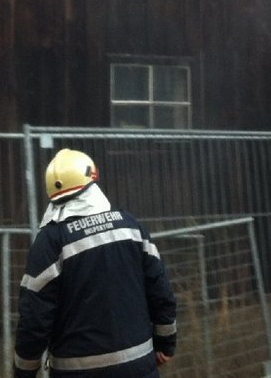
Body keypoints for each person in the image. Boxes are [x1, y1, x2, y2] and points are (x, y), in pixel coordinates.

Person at [14, 148, 177, 377]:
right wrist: (165, 342)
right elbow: (160, 290)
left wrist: (23, 371)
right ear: (92, 180)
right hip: (139, 366)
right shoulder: (130, 227)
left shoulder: (50, 243)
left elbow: (34, 319)